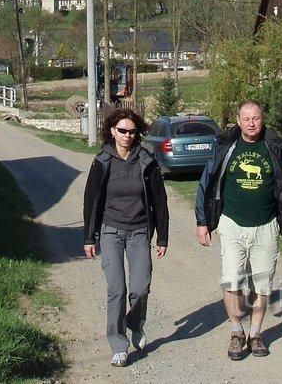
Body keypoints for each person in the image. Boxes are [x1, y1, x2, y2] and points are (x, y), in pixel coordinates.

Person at [195, 100, 282, 361]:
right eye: (246, 119)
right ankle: (236, 331)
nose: (251, 123)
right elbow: (207, 182)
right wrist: (203, 221)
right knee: (232, 279)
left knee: (262, 285)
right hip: (232, 224)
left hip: (266, 226)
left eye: (256, 118)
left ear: (262, 119)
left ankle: (255, 334)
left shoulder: (275, 147)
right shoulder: (226, 146)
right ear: (238, 120)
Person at [83, 108, 170, 368]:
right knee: (116, 291)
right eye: (122, 131)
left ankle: (136, 325)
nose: (127, 136)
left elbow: (160, 200)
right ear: (112, 131)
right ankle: (118, 344)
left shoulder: (146, 160)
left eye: (132, 131)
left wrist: (163, 237)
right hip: (110, 231)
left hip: (140, 231)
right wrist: (89, 238)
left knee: (140, 288)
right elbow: (91, 201)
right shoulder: (102, 161)